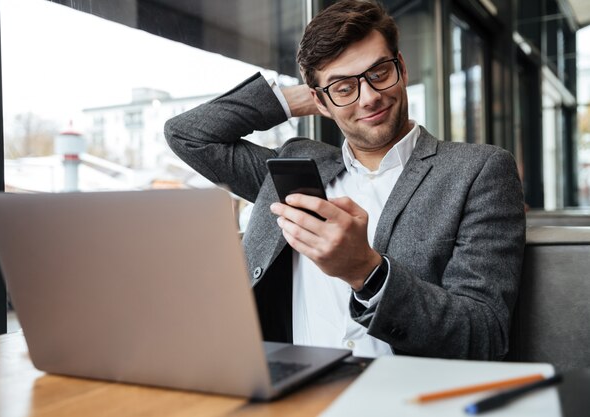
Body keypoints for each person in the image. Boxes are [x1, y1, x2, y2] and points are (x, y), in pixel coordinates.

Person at [164, 0, 525, 360]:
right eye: (343, 88)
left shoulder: (479, 170)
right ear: (320, 102)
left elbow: (484, 335)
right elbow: (188, 135)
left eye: (379, 73)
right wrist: (287, 101)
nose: (369, 98)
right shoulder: (291, 167)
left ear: (401, 67)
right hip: (289, 395)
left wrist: (366, 271)